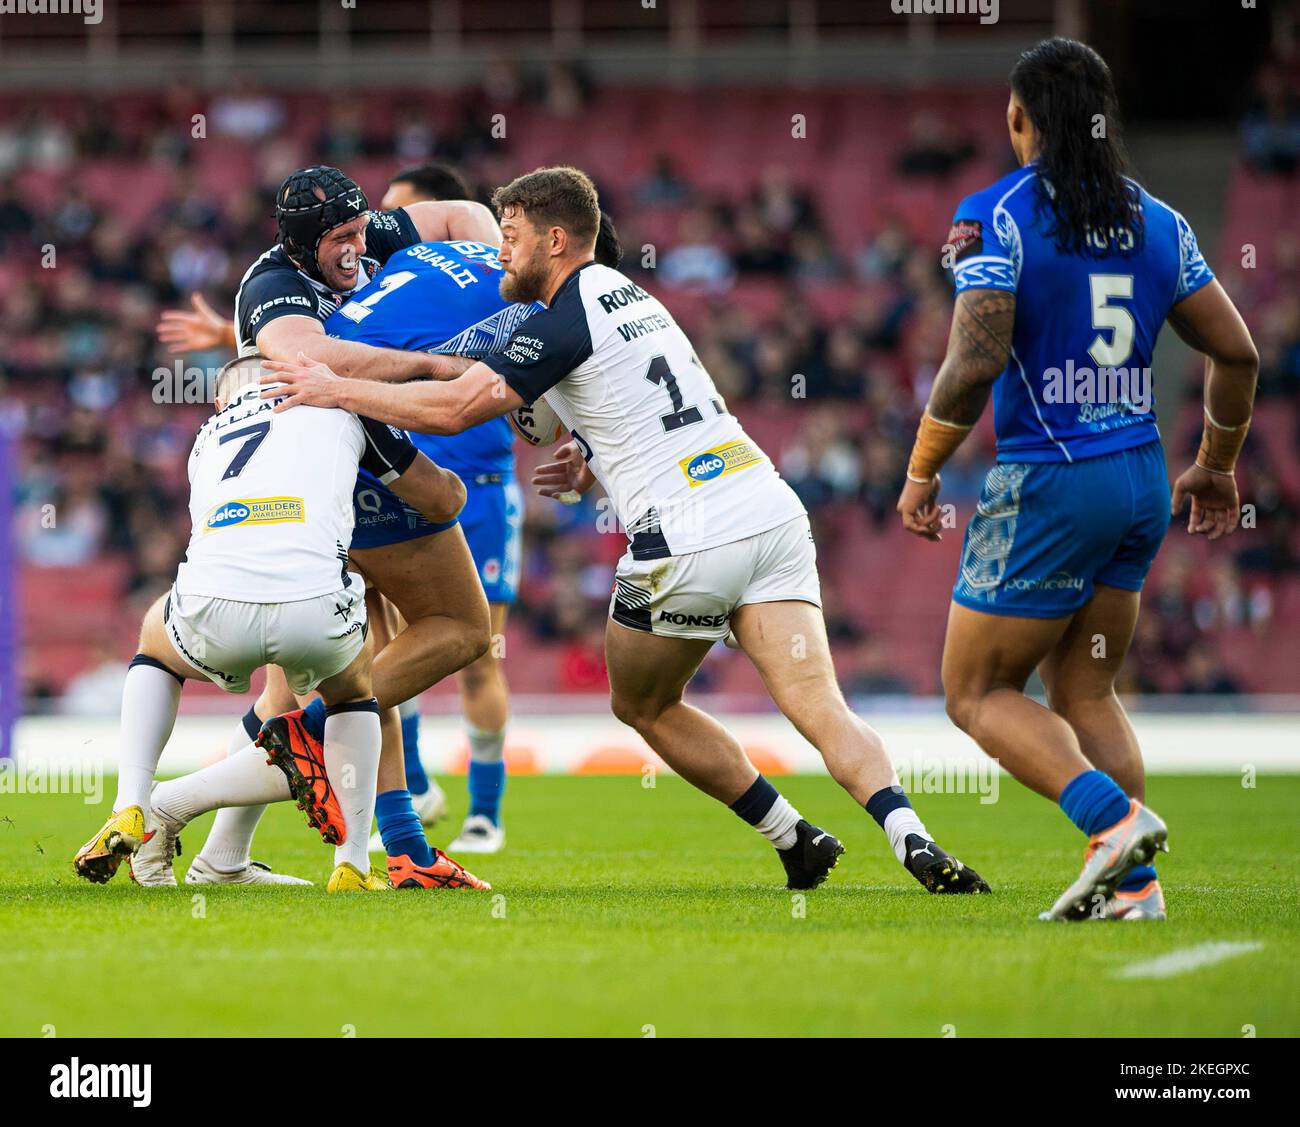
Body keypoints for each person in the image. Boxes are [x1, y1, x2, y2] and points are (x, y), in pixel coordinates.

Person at [262, 165, 989, 895]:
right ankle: (908, 833)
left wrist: (337, 388)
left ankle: (788, 831)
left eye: (509, 241)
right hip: (767, 507)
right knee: (821, 704)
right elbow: (638, 394)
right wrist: (588, 455)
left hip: (686, 534)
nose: (498, 257)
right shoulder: (635, 295)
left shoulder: (552, 321)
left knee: (641, 702)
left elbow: (454, 408)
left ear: (555, 240)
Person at [894, 38, 1259, 921]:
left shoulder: (996, 216)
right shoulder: (1160, 222)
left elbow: (973, 363)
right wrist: (1213, 464)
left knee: (975, 693)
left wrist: (921, 471)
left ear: (1019, 118)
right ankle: (1137, 890)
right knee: (1085, 688)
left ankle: (1114, 823)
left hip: (1052, 481)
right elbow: (1238, 351)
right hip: (1137, 479)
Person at [145, 166, 496, 889]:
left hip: (319, 474)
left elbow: (463, 215)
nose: (357, 248)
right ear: (300, 246)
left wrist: (501, 282)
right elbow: (314, 361)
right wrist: (434, 365)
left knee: (342, 673)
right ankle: (275, 769)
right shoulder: (271, 286)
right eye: (339, 239)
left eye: (359, 230)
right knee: (457, 628)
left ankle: (275, 855)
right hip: (341, 474)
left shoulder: (373, 229)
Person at [74, 355, 485, 894]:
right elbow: (441, 499)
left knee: (153, 643)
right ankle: (354, 865)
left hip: (211, 604)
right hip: (314, 608)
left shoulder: (205, 437)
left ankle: (132, 802)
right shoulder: (342, 405)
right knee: (355, 694)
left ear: (223, 401)